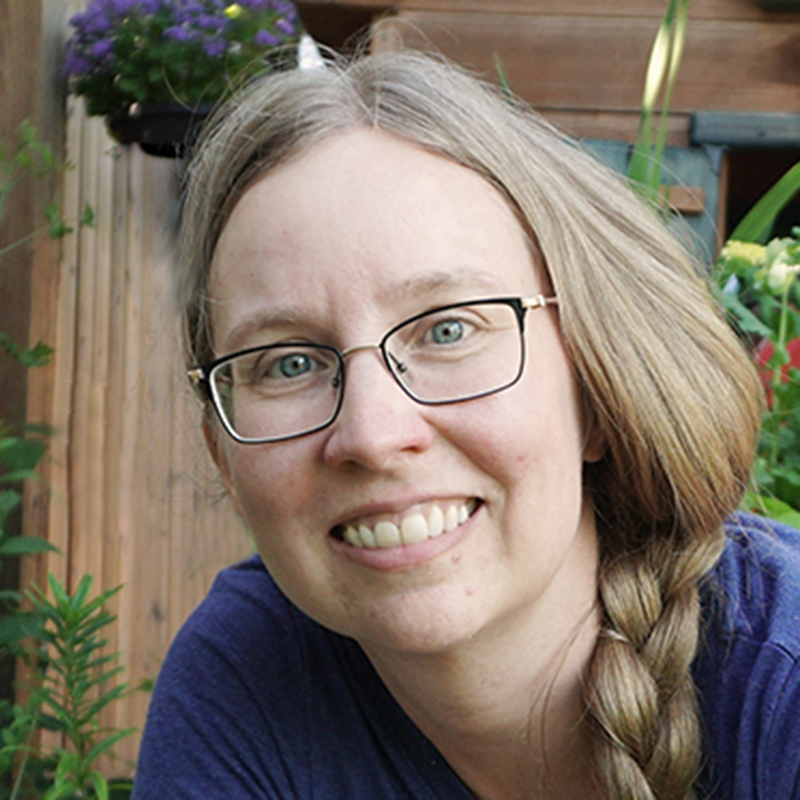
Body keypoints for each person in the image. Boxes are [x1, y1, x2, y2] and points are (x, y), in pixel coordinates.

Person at [132, 50, 800, 799]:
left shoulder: (781, 680)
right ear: (221, 450)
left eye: (447, 330)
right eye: (288, 363)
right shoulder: (245, 681)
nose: (374, 434)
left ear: (597, 386)